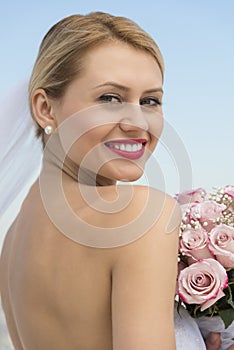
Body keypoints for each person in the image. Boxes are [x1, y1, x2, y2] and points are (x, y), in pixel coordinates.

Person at [0, 12, 230, 350]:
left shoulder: (14, 237)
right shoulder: (140, 215)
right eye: (110, 98)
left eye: (150, 100)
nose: (138, 123)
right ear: (46, 108)